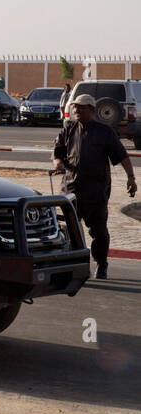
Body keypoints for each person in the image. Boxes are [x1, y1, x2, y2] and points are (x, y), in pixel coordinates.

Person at [53, 93, 137, 280]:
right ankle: (74, 266)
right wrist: (58, 163)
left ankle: (101, 263)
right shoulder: (68, 129)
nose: (76, 110)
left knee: (98, 230)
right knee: (70, 230)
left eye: (81, 107)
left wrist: (131, 177)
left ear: (91, 109)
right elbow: (58, 151)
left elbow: (122, 156)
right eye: (75, 107)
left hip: (96, 190)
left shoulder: (105, 132)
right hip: (71, 189)